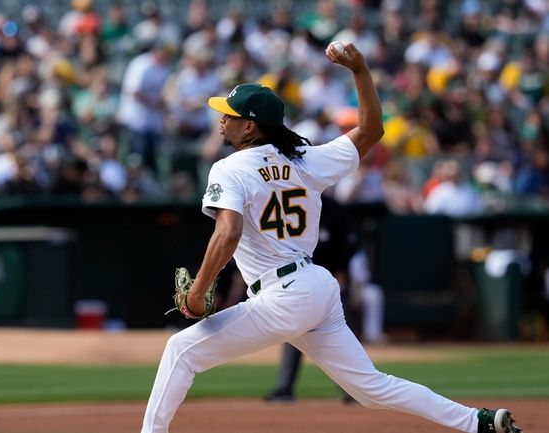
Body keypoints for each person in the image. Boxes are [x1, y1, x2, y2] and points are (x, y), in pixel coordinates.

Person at [140, 43, 521, 433]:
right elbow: (373, 130)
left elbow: (228, 231)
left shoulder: (230, 167)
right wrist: (360, 69)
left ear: (250, 125)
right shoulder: (305, 158)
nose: (222, 120)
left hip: (283, 293)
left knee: (179, 350)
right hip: (316, 287)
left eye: (230, 115)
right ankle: (479, 422)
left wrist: (200, 291)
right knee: (371, 388)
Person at [263, 194, 357, 403]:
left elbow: (349, 244)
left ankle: (352, 389)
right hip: (300, 280)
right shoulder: (293, 200)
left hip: (331, 279)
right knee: (294, 333)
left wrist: (341, 271)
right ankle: (285, 387)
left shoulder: (334, 208)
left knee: (339, 337)